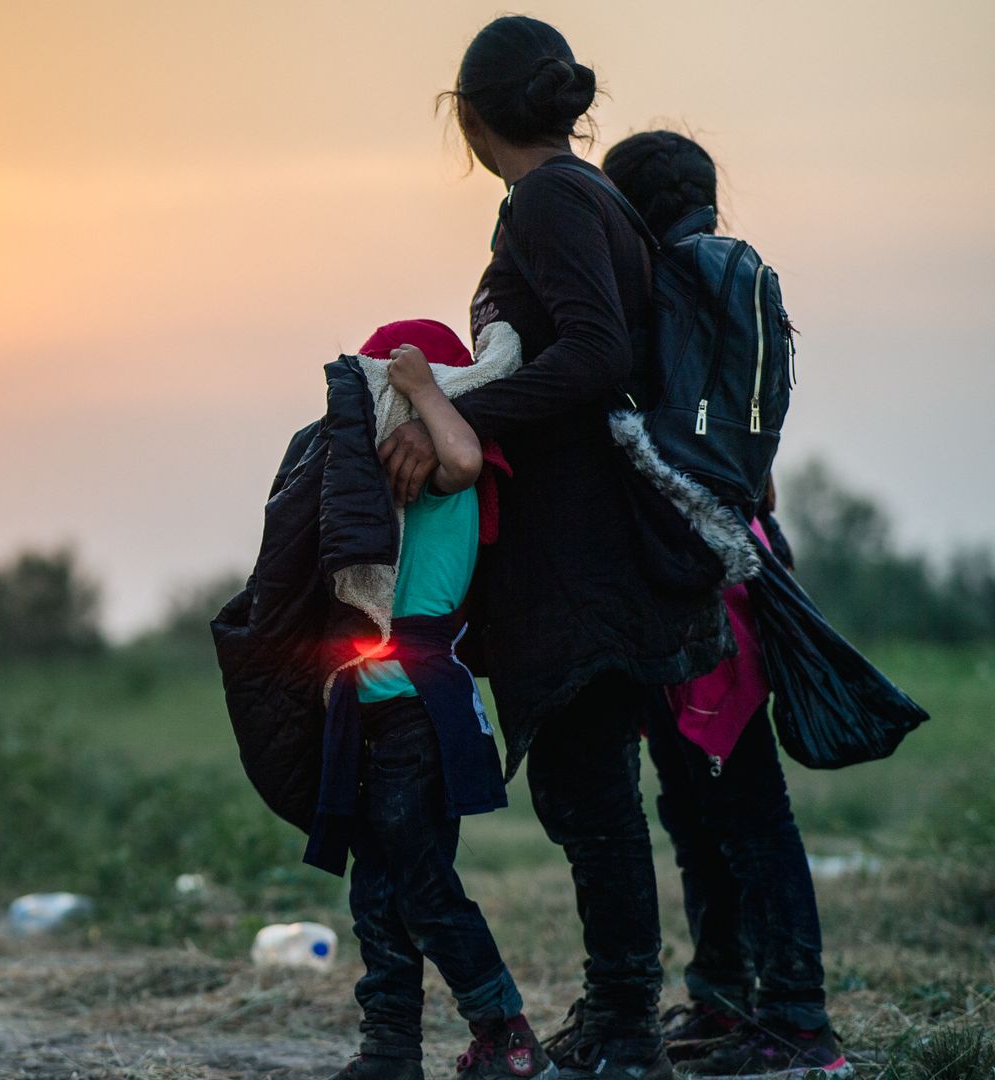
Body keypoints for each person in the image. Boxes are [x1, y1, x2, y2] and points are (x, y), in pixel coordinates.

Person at [378, 18, 734, 1080]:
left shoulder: (552, 198)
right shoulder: (583, 197)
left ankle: (627, 1027)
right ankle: (618, 1013)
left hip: (587, 550)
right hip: (587, 542)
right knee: (591, 789)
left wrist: (450, 408)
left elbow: (596, 354)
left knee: (591, 789)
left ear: (473, 119)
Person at [603, 131, 850, 1079]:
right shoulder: (733, 283)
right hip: (734, 556)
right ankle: (724, 997)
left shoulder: (663, 291)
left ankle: (793, 1019)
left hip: (695, 575)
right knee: (704, 805)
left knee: (739, 807)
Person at [320, 319, 553, 1080]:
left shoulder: (453, 470)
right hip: (373, 708)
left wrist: (420, 387)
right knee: (377, 894)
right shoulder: (383, 483)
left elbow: (460, 448)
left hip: (425, 709)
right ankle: (389, 1049)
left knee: (422, 884)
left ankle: (506, 1034)